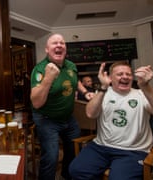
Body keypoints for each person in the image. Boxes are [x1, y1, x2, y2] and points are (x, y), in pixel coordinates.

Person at [69, 61, 153, 179]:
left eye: (128, 74)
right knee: (76, 171)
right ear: (110, 78)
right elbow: (90, 113)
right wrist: (104, 87)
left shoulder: (142, 94)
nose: (125, 77)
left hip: (132, 151)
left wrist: (146, 87)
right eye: (120, 74)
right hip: (101, 147)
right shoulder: (103, 93)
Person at [30, 33, 87, 179]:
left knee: (74, 150)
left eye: (62, 43)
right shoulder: (40, 69)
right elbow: (36, 102)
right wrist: (48, 78)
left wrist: (85, 92)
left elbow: (76, 80)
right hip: (47, 118)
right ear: (47, 50)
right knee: (51, 157)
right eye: (54, 43)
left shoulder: (71, 65)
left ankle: (67, 175)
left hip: (68, 118)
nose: (59, 45)